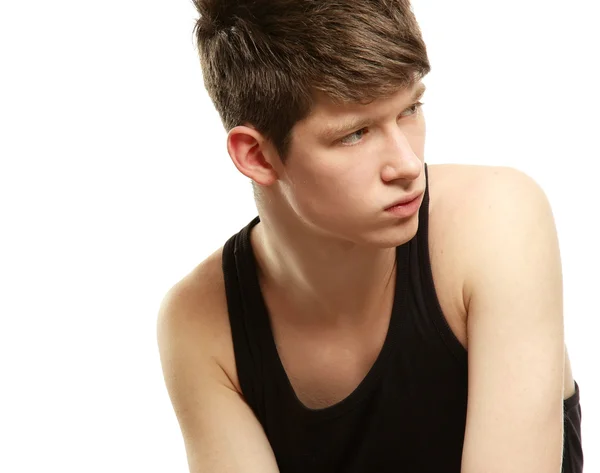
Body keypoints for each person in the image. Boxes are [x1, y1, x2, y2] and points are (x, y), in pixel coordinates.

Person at [156, 1, 583, 471]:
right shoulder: (200, 323)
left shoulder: (497, 220)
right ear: (257, 156)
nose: (406, 165)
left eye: (410, 109)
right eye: (355, 134)